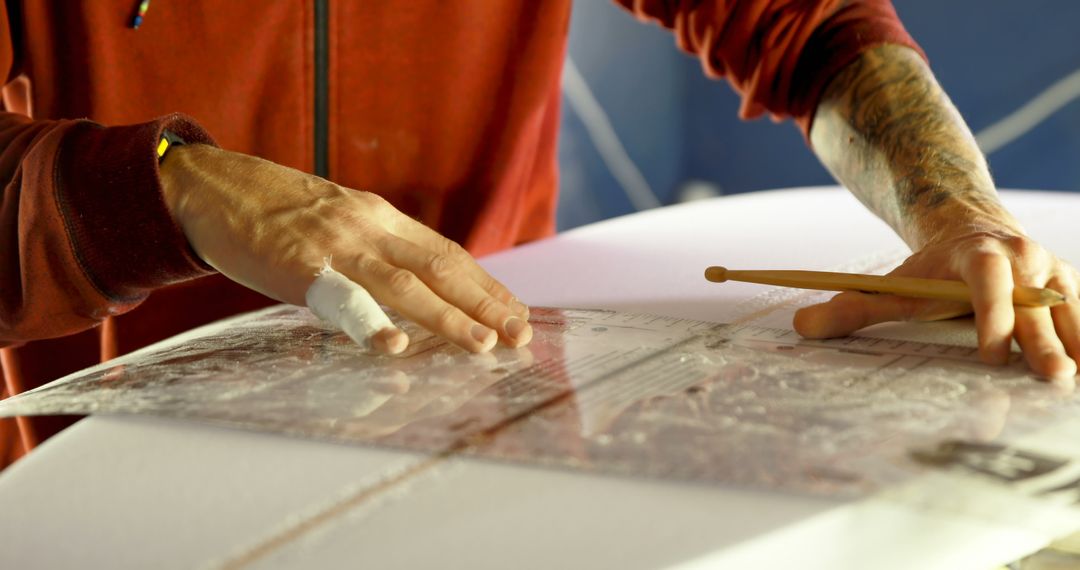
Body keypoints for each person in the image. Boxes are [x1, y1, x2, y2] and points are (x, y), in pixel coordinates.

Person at [0, 1, 1076, 469]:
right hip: (87, 483)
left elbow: (813, 22)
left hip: (486, 434)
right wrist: (173, 188)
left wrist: (954, 210)